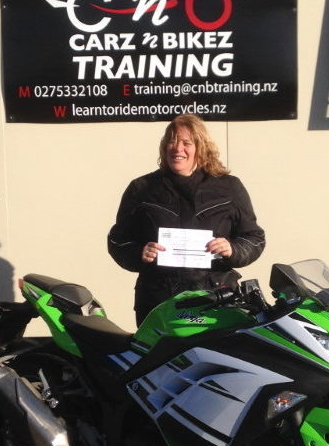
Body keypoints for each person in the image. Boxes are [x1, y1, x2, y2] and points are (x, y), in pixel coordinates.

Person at [107, 113, 267, 321]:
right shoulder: (142, 188)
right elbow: (118, 240)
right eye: (171, 142)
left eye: (186, 143)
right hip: (159, 301)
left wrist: (233, 249)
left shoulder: (229, 187)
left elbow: (255, 237)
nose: (177, 148)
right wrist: (139, 252)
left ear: (201, 147)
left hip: (217, 300)